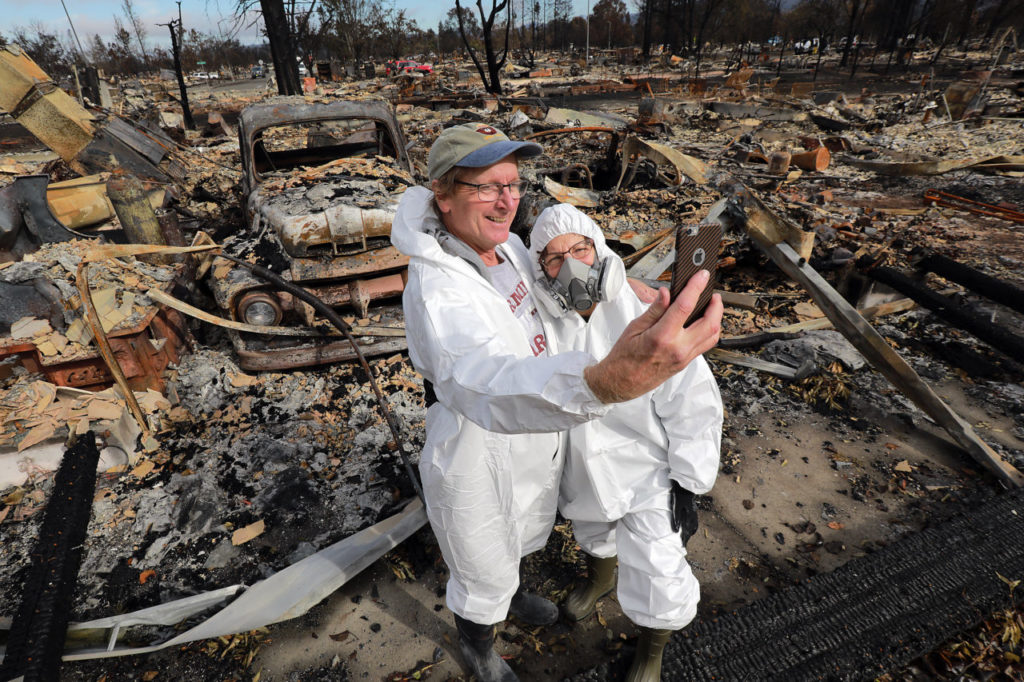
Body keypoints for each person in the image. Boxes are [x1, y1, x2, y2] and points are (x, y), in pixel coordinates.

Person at [389, 122, 722, 682]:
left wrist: (621, 283)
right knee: (480, 558)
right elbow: (479, 380)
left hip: (537, 431)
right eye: (486, 186)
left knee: (518, 536)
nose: (506, 200)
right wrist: (600, 384)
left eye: (514, 184)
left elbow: (567, 282)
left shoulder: (512, 250)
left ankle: (510, 597)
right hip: (480, 442)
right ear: (442, 196)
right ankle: (478, 647)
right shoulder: (440, 289)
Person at [528, 203, 722, 682]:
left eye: (579, 248)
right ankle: (601, 577)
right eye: (554, 258)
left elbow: (693, 399)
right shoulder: (541, 325)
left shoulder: (645, 314)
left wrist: (689, 481)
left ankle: (652, 650)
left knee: (658, 563)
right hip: (580, 461)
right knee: (592, 528)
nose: (571, 265)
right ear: (539, 269)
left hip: (646, 467)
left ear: (598, 247)